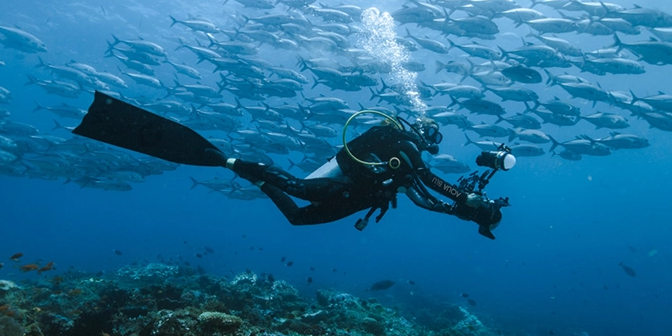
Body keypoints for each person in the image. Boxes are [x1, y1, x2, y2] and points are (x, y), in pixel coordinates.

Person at [73, 92, 511, 239]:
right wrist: (468, 201)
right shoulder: (402, 144)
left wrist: (463, 209)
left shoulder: (407, 158)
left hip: (366, 193)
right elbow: (429, 182)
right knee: (301, 192)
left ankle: (251, 175)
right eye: (431, 137)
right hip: (352, 181)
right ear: (422, 132)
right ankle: (237, 161)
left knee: (299, 222)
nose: (431, 144)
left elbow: (420, 193)